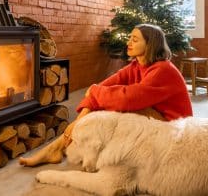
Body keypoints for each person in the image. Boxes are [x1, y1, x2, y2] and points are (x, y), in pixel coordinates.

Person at [19, 24, 193, 166]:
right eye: (129, 38)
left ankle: (58, 146)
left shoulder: (163, 70)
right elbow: (101, 87)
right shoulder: (135, 66)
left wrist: (95, 92)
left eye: (135, 39)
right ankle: (58, 147)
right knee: (105, 100)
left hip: (174, 129)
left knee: (121, 104)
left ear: (150, 45)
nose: (129, 42)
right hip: (156, 121)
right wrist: (91, 101)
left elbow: (126, 99)